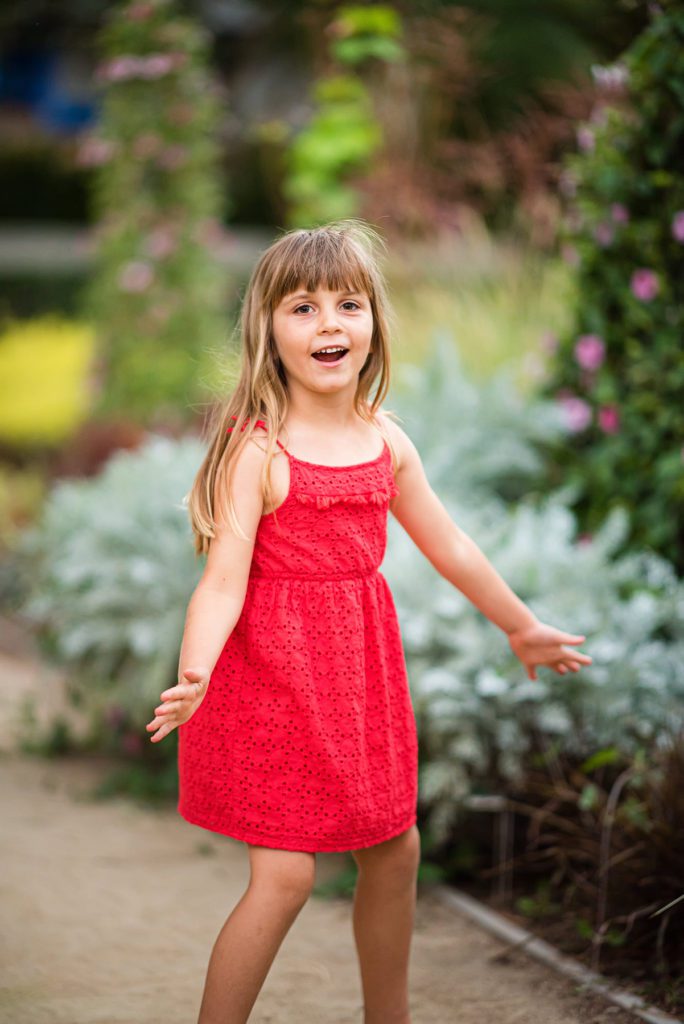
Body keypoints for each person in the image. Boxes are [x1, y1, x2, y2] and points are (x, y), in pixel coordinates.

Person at [145, 219, 592, 1024]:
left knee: (394, 849)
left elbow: (450, 543)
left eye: (348, 305)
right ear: (268, 330)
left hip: (358, 680)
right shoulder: (261, 452)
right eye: (304, 308)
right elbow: (219, 584)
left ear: (374, 324)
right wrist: (195, 673)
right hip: (271, 681)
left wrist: (519, 625)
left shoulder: (387, 443)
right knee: (284, 878)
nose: (329, 324)